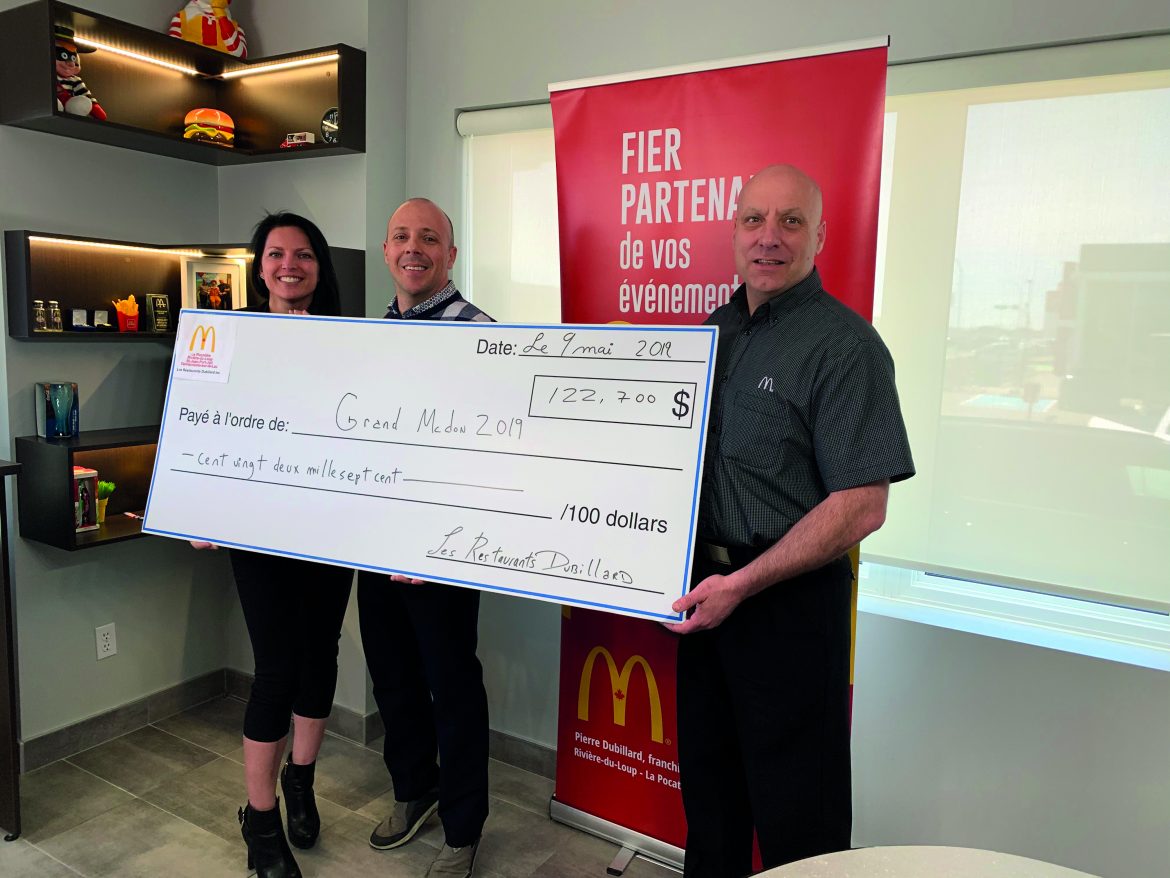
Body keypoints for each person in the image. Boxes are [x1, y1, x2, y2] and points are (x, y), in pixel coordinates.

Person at [666, 165, 914, 876]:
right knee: (711, 803)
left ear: (820, 236)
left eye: (790, 221)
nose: (768, 237)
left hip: (787, 609)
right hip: (703, 598)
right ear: (734, 232)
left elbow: (863, 503)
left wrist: (743, 584)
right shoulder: (713, 333)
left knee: (799, 821)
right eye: (754, 220)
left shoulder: (846, 346)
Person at [192, 211, 353, 878]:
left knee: (320, 657)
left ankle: (300, 780)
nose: (291, 265)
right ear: (259, 268)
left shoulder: (350, 341)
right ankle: (260, 823)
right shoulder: (226, 338)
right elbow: (202, 424)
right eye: (277, 254)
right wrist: (197, 505)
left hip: (329, 526)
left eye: (304, 254)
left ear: (319, 266)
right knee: (277, 668)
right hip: (258, 530)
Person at [358, 198, 491, 878]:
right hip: (377, 546)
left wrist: (433, 539)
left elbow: (490, 455)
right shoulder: (371, 335)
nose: (414, 248)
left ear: (450, 255)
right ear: (386, 251)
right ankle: (415, 790)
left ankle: (463, 829)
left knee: (452, 686)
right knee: (392, 680)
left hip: (443, 553)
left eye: (429, 238)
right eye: (401, 237)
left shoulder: (483, 335)